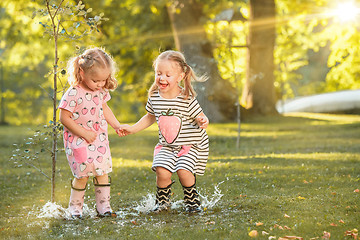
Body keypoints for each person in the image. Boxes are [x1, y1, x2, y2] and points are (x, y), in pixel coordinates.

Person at [119, 50, 209, 213]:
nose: (162, 78)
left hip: (188, 145)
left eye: (168, 75)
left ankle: (192, 201)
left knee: (183, 171)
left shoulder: (186, 98)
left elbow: (201, 117)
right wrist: (132, 129)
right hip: (167, 146)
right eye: (159, 73)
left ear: (180, 77)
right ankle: (162, 202)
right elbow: (149, 117)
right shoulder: (155, 97)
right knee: (161, 170)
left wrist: (203, 120)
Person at [59, 47, 121, 218]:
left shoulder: (101, 91)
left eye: (104, 80)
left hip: (99, 139)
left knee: (102, 173)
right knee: (82, 175)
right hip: (79, 140)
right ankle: (75, 210)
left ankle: (104, 208)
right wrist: (84, 133)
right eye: (96, 80)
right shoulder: (73, 92)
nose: (100, 84)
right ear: (82, 72)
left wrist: (116, 125)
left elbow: (104, 108)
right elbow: (64, 117)